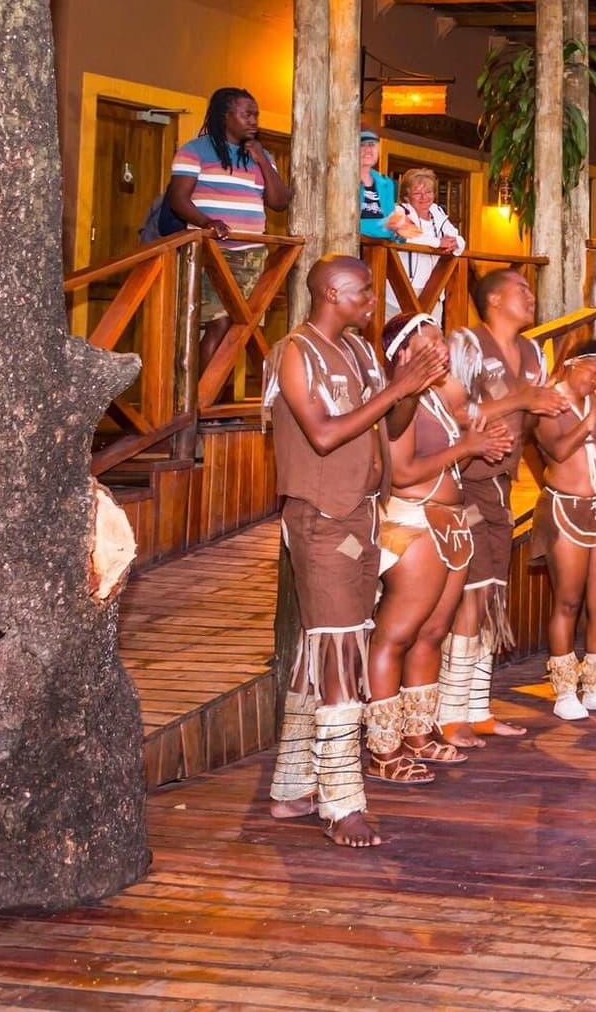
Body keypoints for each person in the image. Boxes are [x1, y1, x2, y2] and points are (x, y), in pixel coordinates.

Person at [263, 255, 443, 848]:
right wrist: (396, 385)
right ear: (334, 292)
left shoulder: (364, 353)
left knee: (331, 645)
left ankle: (293, 785)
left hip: (364, 514)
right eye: (365, 291)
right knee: (341, 651)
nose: (373, 300)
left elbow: (390, 428)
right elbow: (323, 433)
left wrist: (410, 386)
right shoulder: (296, 351)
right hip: (320, 518)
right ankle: (343, 803)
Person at [366, 314, 508, 783]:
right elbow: (402, 472)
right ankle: (384, 748)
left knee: (432, 633)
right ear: (403, 354)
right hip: (414, 522)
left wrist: (479, 444)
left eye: (443, 341)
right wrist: (468, 447)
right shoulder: (402, 401)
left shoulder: (435, 399)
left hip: (449, 523)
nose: (443, 349)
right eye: (431, 343)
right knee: (397, 634)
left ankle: (418, 734)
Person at [440, 267, 566, 748]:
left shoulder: (534, 351)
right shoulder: (465, 344)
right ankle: (451, 714)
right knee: (469, 595)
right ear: (493, 299)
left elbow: (535, 418)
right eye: (522, 290)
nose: (531, 297)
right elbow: (447, 412)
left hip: (502, 484)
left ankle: (477, 709)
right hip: (461, 481)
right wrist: (521, 398)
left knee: (490, 594)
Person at [535, 341, 596, 720]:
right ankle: (564, 691)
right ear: (571, 363)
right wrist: (593, 420)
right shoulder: (548, 401)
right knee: (568, 601)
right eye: (592, 372)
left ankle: (595, 686)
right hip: (566, 507)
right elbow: (557, 451)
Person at [166, 87, 293, 375]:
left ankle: (213, 405)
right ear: (225, 116)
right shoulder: (195, 150)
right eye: (246, 114)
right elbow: (178, 199)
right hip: (213, 252)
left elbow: (279, 202)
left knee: (239, 328)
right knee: (220, 323)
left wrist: (261, 158)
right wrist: (207, 222)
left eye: (256, 115)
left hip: (252, 255)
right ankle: (200, 404)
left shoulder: (261, 155)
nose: (253, 120)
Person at [388, 168, 466, 310]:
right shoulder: (399, 211)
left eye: (428, 192)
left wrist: (456, 243)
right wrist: (438, 243)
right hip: (401, 288)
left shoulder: (437, 212)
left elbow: (458, 238)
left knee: (431, 331)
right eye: (417, 193)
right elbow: (408, 235)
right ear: (406, 197)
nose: (424, 197)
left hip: (434, 287)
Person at [356, 131, 411, 244]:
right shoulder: (341, 179)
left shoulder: (386, 183)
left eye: (372, 145)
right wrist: (384, 225)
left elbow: (392, 226)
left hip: (377, 253)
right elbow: (343, 224)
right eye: (362, 144)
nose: (368, 150)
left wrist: (400, 229)